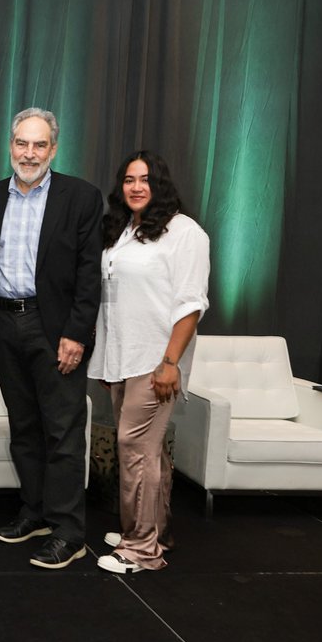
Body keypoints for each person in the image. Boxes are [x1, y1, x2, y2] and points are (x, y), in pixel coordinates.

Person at [0, 107, 103, 570]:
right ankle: (36, 511)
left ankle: (69, 531)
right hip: (4, 327)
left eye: (39, 145)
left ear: (54, 148)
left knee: (64, 433)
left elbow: (90, 275)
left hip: (55, 332)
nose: (29, 154)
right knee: (24, 429)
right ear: (10, 146)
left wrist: (76, 334)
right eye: (22, 144)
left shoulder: (81, 197)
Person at [89, 151, 209, 573]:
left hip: (156, 359)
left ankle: (141, 551)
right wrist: (107, 361)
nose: (136, 186)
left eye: (145, 179)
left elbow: (191, 303)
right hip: (123, 357)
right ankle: (155, 531)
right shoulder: (125, 230)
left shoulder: (184, 232)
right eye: (128, 179)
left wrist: (170, 362)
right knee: (148, 452)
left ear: (161, 185)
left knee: (135, 449)